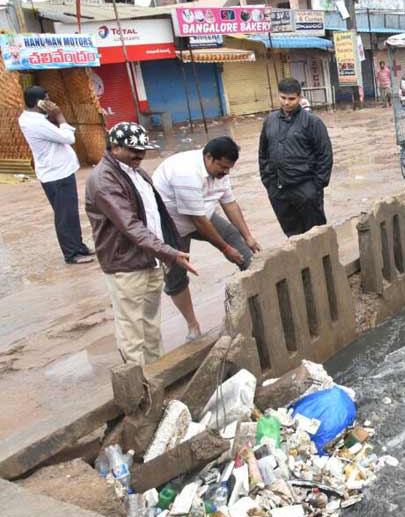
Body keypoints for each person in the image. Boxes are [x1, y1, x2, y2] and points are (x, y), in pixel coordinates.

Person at [85, 122, 197, 365]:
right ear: (114, 147)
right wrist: (170, 252)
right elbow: (131, 226)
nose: (140, 155)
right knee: (132, 332)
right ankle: (138, 388)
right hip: (126, 265)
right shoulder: (104, 180)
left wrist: (164, 253)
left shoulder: (137, 173)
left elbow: (156, 217)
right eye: (133, 150)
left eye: (143, 150)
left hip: (150, 261)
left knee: (151, 327)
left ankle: (156, 378)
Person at [153, 136, 261, 341]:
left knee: (237, 240)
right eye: (222, 167)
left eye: (229, 168)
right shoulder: (186, 173)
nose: (226, 172)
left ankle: (259, 303)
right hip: (172, 227)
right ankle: (193, 326)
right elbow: (198, 221)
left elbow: (229, 204)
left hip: (203, 214)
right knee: (176, 277)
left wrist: (248, 237)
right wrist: (225, 249)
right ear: (209, 158)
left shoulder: (221, 171)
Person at [18, 86, 95, 265]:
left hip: (59, 171)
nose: (52, 103)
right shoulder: (36, 123)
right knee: (65, 215)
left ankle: (79, 246)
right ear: (40, 103)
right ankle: (72, 254)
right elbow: (68, 138)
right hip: (56, 174)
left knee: (70, 213)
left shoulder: (33, 118)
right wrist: (60, 117)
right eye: (48, 99)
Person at [259, 77, 334, 237]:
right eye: (283, 98)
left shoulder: (312, 122)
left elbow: (325, 154)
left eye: (291, 99)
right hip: (278, 189)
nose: (286, 102)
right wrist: (268, 181)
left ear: (300, 98)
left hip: (305, 187)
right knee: (292, 236)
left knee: (316, 235)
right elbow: (263, 153)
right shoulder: (270, 121)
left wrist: (316, 186)